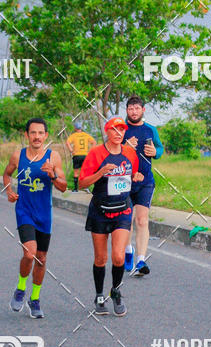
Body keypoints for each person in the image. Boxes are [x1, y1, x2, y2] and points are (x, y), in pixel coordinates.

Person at [79, 117, 144, 316]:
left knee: (117, 256)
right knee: (101, 258)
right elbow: (82, 183)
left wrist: (136, 176)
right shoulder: (96, 153)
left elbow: (134, 173)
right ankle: (99, 295)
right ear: (107, 131)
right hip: (100, 211)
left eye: (121, 130)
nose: (118, 133)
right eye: (114, 130)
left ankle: (115, 291)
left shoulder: (130, 153)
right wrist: (101, 172)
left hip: (122, 210)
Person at [3, 118, 67, 319]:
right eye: (33, 133)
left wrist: (53, 176)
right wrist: (9, 191)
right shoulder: (18, 155)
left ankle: (35, 299)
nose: (37, 137)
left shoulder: (53, 157)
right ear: (27, 135)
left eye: (40, 133)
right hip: (24, 211)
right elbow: (7, 174)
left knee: (41, 258)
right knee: (29, 254)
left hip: (44, 214)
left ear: (46, 136)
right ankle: (21, 288)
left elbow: (64, 186)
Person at [122, 96, 164, 276]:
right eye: (130, 108)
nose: (133, 111)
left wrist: (156, 152)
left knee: (142, 220)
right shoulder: (121, 129)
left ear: (143, 110)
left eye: (137, 108)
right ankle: (128, 251)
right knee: (126, 221)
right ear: (127, 111)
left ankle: (141, 260)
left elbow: (160, 149)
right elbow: (110, 151)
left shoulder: (150, 130)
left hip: (146, 181)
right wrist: (125, 146)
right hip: (124, 181)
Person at [65, 122, 96, 191]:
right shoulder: (86, 135)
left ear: (75, 128)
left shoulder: (73, 135)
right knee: (85, 172)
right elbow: (94, 142)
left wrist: (71, 150)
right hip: (85, 155)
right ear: (81, 128)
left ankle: (76, 189)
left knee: (76, 172)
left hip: (76, 155)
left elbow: (67, 142)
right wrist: (90, 151)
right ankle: (86, 187)